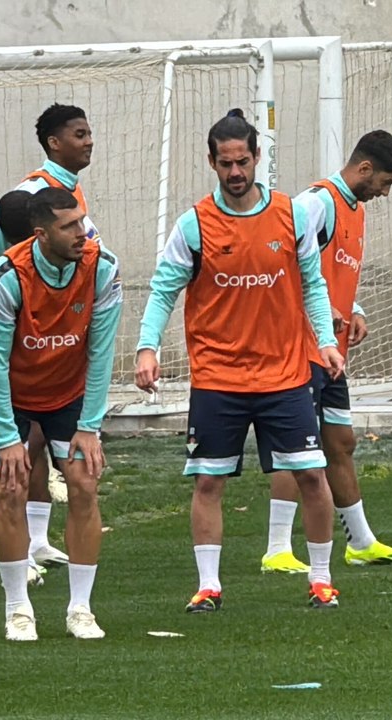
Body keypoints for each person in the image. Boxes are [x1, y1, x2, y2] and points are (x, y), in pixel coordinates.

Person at [135, 109, 345, 612]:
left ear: (257, 158)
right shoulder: (194, 225)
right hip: (218, 377)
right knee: (208, 480)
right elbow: (163, 289)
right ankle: (208, 586)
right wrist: (146, 346)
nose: (235, 172)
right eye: (225, 163)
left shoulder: (291, 215)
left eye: (243, 161)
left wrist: (325, 341)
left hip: (285, 375)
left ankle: (321, 579)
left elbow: (313, 284)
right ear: (212, 163)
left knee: (312, 475)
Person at [261, 130, 392, 574]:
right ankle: (277, 548)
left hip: (329, 351)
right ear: (364, 168)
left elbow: (326, 268)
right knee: (297, 447)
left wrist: (355, 308)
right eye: (385, 183)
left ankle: (361, 543)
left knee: (340, 441)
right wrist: (319, 308)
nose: (385, 193)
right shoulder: (316, 203)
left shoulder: (355, 209)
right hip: (298, 347)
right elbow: (275, 258)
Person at [0, 187, 121, 641]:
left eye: (82, 221)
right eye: (69, 226)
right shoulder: (5, 277)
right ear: (40, 234)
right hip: (6, 390)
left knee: (83, 482)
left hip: (68, 389)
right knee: (11, 487)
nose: (82, 233)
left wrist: (89, 427)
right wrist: (7, 439)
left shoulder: (103, 267)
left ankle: (81, 609)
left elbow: (102, 352)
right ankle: (18, 610)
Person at [0, 103, 101, 573]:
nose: (88, 141)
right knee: (20, 446)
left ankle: (36, 540)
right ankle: (10, 544)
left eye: (88, 133)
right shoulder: (35, 191)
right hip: (14, 324)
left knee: (39, 440)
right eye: (79, 134)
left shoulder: (68, 190)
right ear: (53, 143)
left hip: (51, 337)